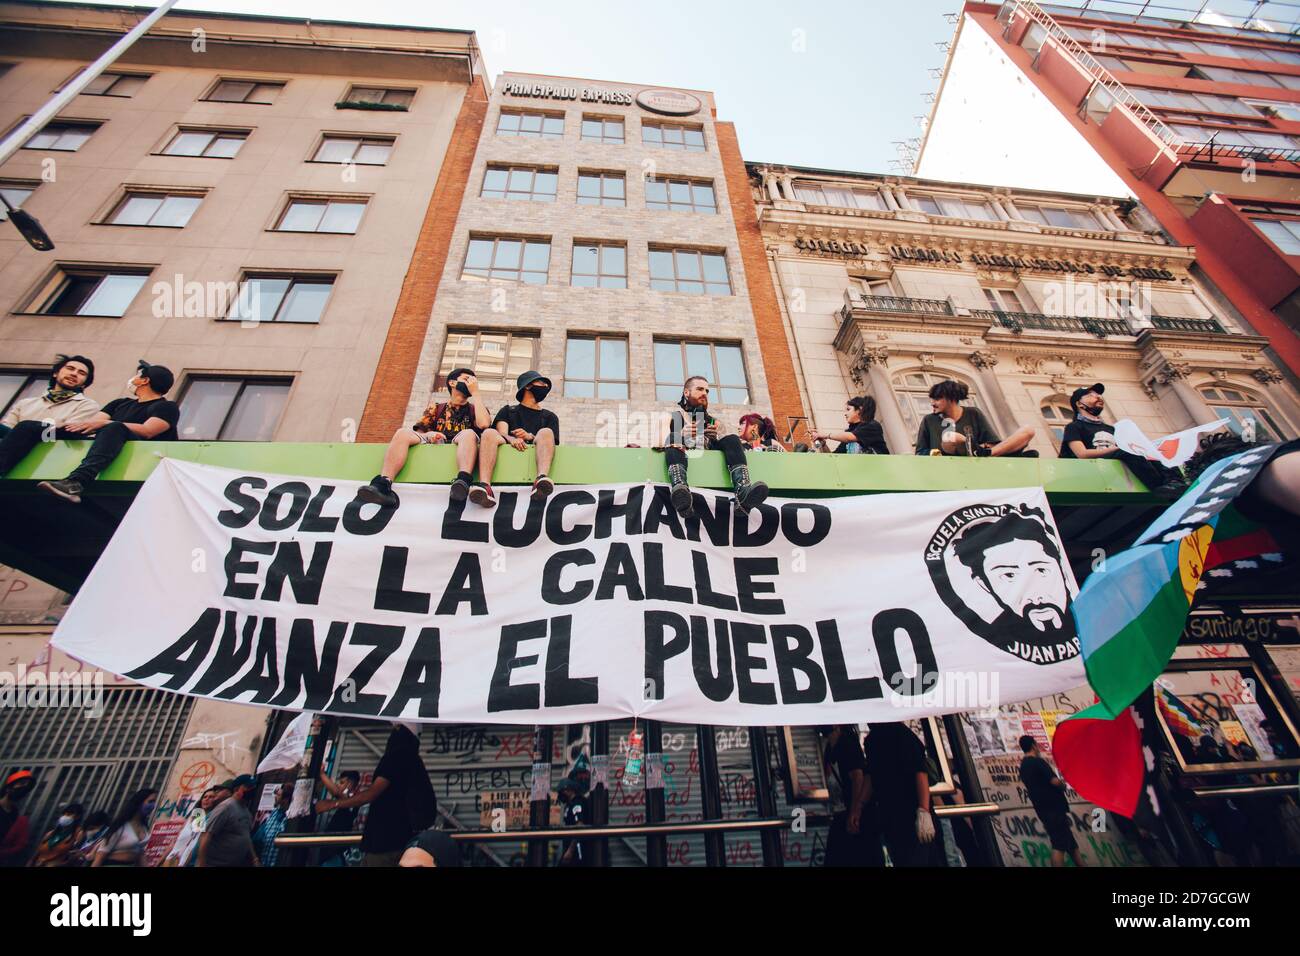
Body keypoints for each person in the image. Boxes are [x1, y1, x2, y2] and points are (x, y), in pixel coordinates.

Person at [6, 360, 179, 504]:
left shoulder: (166, 407)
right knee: (29, 426)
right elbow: (92, 423)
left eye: (138, 375)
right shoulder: (119, 403)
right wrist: (68, 428)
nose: (133, 379)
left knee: (115, 427)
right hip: (106, 440)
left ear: (144, 381)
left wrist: (107, 423)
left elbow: (148, 431)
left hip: (138, 453)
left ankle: (75, 483)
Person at [355, 367, 492, 509]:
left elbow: (484, 424)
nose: (472, 383)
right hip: (437, 444)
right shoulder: (436, 408)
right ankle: (383, 484)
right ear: (452, 383)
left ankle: (463, 481)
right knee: (402, 432)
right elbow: (420, 433)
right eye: (467, 379)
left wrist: (476, 393)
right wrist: (429, 435)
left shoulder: (477, 408)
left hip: (463, 443)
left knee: (468, 433)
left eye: (474, 381)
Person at [314, 723, 436, 867]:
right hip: (403, 841)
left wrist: (331, 804)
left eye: (396, 728)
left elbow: (371, 794)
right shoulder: (414, 760)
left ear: (399, 732)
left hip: (383, 842)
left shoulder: (396, 757)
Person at [952, 510, 1076, 650]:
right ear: (984, 584)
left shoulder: (1096, 619)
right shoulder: (986, 646)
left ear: (1060, 567)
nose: (1036, 597)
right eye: (1009, 575)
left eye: (1041, 570)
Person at [661, 376, 768, 517]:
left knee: (732, 439)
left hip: (710, 463)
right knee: (674, 437)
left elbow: (732, 445)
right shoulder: (671, 417)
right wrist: (681, 433)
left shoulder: (714, 422)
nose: (704, 393)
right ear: (686, 393)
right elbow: (657, 444)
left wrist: (716, 437)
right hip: (682, 460)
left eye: (707, 390)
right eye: (699, 389)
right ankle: (681, 492)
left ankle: (743, 492)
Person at [1059, 383, 1185, 498]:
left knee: (1153, 447)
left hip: (1117, 465)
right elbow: (1082, 454)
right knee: (1128, 450)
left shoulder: (1110, 428)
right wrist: (1119, 449)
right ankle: (1158, 486)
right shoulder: (1074, 427)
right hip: (1092, 470)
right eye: (1091, 395)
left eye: (1098, 394)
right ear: (1080, 404)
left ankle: (1175, 481)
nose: (1098, 397)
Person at [474, 370, 560, 507]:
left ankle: (541, 480)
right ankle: (485, 486)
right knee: (489, 433)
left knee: (546, 432)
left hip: (534, 459)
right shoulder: (508, 411)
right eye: (540, 382)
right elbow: (500, 433)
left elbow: (552, 443)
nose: (544, 386)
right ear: (527, 386)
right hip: (507, 457)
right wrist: (512, 439)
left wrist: (529, 436)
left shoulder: (549, 417)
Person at [863, 723, 937, 867]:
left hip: (911, 815)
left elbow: (920, 772)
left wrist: (923, 810)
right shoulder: (874, 740)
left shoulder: (900, 734)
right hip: (893, 816)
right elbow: (870, 776)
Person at [914, 380, 1035, 457]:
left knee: (1028, 430)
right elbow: (920, 452)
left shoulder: (973, 413)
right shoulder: (929, 420)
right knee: (949, 437)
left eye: (936, 399)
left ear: (951, 398)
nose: (932, 403)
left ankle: (981, 453)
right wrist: (938, 453)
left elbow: (993, 443)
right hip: (949, 459)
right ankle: (977, 451)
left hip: (981, 456)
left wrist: (984, 450)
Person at [0, 354, 99, 445]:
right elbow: (7, 432)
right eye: (70, 368)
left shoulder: (88, 405)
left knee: (26, 426)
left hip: (51, 456)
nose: (74, 374)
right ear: (55, 373)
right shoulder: (25, 403)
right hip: (11, 452)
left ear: (84, 384)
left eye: (81, 373)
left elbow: (68, 432)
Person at [818, 725, 881, 867]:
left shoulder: (846, 745)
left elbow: (857, 777)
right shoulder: (830, 748)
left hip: (855, 816)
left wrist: (855, 812)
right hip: (844, 813)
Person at [1017, 736, 1082, 867]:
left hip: (1043, 809)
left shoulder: (1023, 766)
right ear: (1034, 745)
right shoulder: (1038, 762)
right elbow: (1054, 781)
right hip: (1054, 808)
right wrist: (1063, 785)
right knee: (1059, 845)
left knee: (1070, 843)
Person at [197, 776, 259, 867]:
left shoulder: (247, 812)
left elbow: (246, 836)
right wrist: (201, 864)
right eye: (248, 787)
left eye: (253, 787)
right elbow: (205, 835)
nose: (251, 790)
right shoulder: (226, 807)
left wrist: (254, 859)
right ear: (237, 789)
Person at [91, 787, 157, 867]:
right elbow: (100, 856)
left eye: (154, 802)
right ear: (139, 802)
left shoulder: (144, 826)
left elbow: (140, 855)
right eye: (150, 801)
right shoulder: (121, 826)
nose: (153, 805)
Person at [809, 396, 889, 454]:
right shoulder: (849, 433)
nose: (845, 414)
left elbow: (849, 437)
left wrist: (825, 435)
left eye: (848, 409)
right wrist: (822, 444)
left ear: (859, 410)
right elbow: (834, 458)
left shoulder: (871, 425)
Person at [162, 787, 218, 868]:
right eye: (205, 797)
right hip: (171, 860)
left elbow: (194, 843)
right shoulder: (198, 814)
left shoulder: (212, 818)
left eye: (211, 797)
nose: (206, 799)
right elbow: (176, 842)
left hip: (188, 862)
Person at [316, 769, 361, 866]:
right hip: (332, 853)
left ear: (350, 784)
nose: (339, 785)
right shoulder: (348, 802)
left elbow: (336, 793)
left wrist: (321, 773)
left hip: (335, 855)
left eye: (342, 782)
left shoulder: (352, 801)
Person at [30, 802, 84, 867]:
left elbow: (76, 854)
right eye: (64, 814)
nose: (65, 816)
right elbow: (36, 854)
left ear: (77, 817)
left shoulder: (78, 834)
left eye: (69, 814)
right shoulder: (51, 833)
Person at [0, 770, 35, 867]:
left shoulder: (15, 815)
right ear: (8, 788)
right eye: (21, 784)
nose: (24, 788)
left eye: (27, 787)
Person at [252, 783, 291, 867]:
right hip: (264, 860)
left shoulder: (290, 817)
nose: (275, 796)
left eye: (278, 795)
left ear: (286, 799)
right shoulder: (274, 812)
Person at [555, 776, 592, 867]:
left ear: (569, 790)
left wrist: (570, 850)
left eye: (563, 792)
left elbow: (580, 825)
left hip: (577, 848)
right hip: (571, 847)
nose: (562, 795)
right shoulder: (570, 805)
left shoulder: (577, 803)